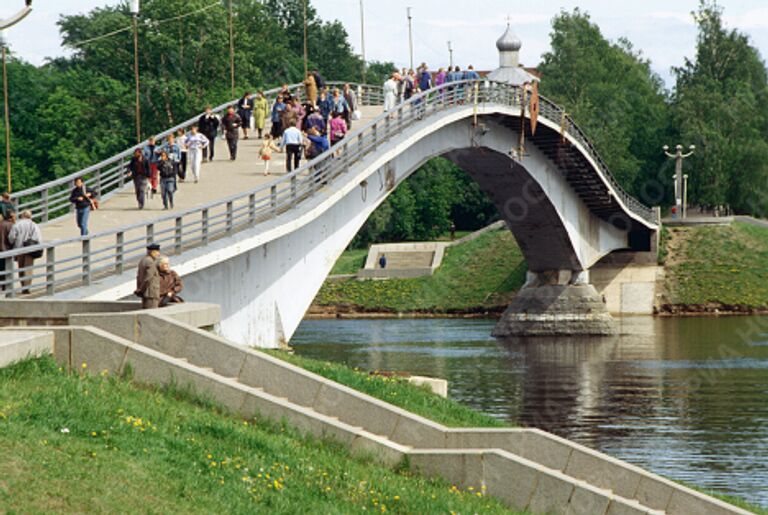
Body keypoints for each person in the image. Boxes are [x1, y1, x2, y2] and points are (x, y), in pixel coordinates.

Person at [8, 210, 41, 294]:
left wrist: (13, 243)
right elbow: (37, 238)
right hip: (30, 250)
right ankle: (27, 286)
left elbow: (11, 237)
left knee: (21, 268)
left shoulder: (17, 225)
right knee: (28, 268)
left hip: (19, 249)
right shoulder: (34, 225)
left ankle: (23, 285)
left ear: (22, 216)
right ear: (30, 216)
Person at [135, 243, 161, 309]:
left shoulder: (143, 260)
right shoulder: (150, 262)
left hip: (145, 292)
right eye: (157, 252)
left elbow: (138, 276)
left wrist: (139, 288)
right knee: (152, 312)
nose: (158, 254)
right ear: (153, 252)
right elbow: (148, 278)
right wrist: (142, 289)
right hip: (151, 293)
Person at [0, 209, 14, 291]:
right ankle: (5, 286)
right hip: (6, 250)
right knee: (6, 268)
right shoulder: (9, 225)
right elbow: (11, 238)